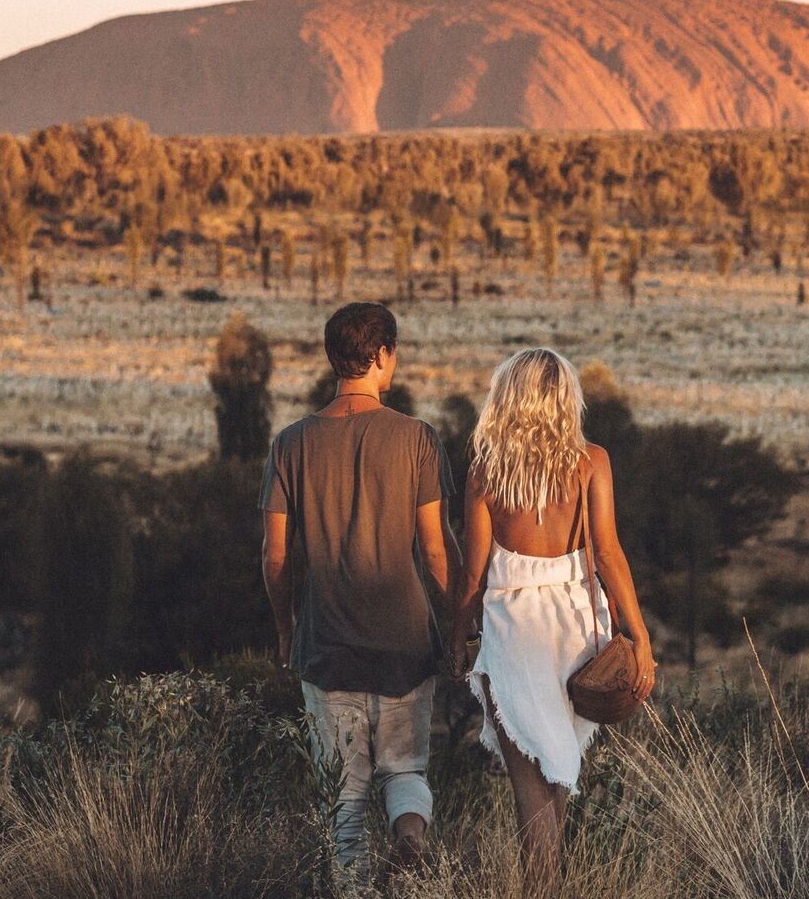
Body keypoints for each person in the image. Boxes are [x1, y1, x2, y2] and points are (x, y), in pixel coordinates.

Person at [259, 301, 461, 883]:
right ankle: (410, 838)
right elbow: (436, 549)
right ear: (382, 356)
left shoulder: (289, 446)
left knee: (344, 798)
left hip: (326, 648)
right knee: (405, 771)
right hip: (405, 646)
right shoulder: (417, 439)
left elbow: (274, 557)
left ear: (333, 359)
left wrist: (284, 628)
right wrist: (458, 629)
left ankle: (354, 890)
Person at [448, 347, 655, 892]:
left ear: (507, 399)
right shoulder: (592, 461)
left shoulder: (484, 471)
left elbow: (470, 576)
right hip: (574, 631)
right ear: (565, 398)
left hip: (513, 634)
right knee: (558, 768)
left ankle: (540, 890)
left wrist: (456, 637)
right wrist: (640, 635)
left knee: (527, 784)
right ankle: (550, 886)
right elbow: (608, 554)